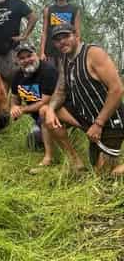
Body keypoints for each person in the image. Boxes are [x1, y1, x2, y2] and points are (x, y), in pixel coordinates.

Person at [40, 23, 124, 175]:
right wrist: (51, 109)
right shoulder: (64, 59)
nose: (62, 42)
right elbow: (60, 90)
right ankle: (76, 163)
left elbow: (117, 90)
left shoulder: (93, 53)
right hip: (86, 117)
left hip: (110, 120)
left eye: (66, 36)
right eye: (57, 39)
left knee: (104, 174)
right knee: (45, 111)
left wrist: (99, 124)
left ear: (77, 36)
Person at [10, 43, 58, 165]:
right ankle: (45, 136)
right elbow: (15, 97)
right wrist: (14, 106)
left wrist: (22, 110)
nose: (26, 60)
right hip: (38, 118)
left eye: (29, 56)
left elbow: (45, 101)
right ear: (17, 61)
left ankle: (51, 155)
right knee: (32, 142)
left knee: (43, 111)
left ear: (36, 54)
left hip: (55, 113)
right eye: (22, 58)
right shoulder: (17, 75)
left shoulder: (48, 70)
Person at [40, 0, 80, 67]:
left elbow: (77, 33)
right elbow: (44, 32)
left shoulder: (74, 10)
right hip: (50, 51)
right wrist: (42, 52)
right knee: (50, 77)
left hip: (68, 50)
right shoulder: (48, 10)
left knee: (67, 77)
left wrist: (78, 51)